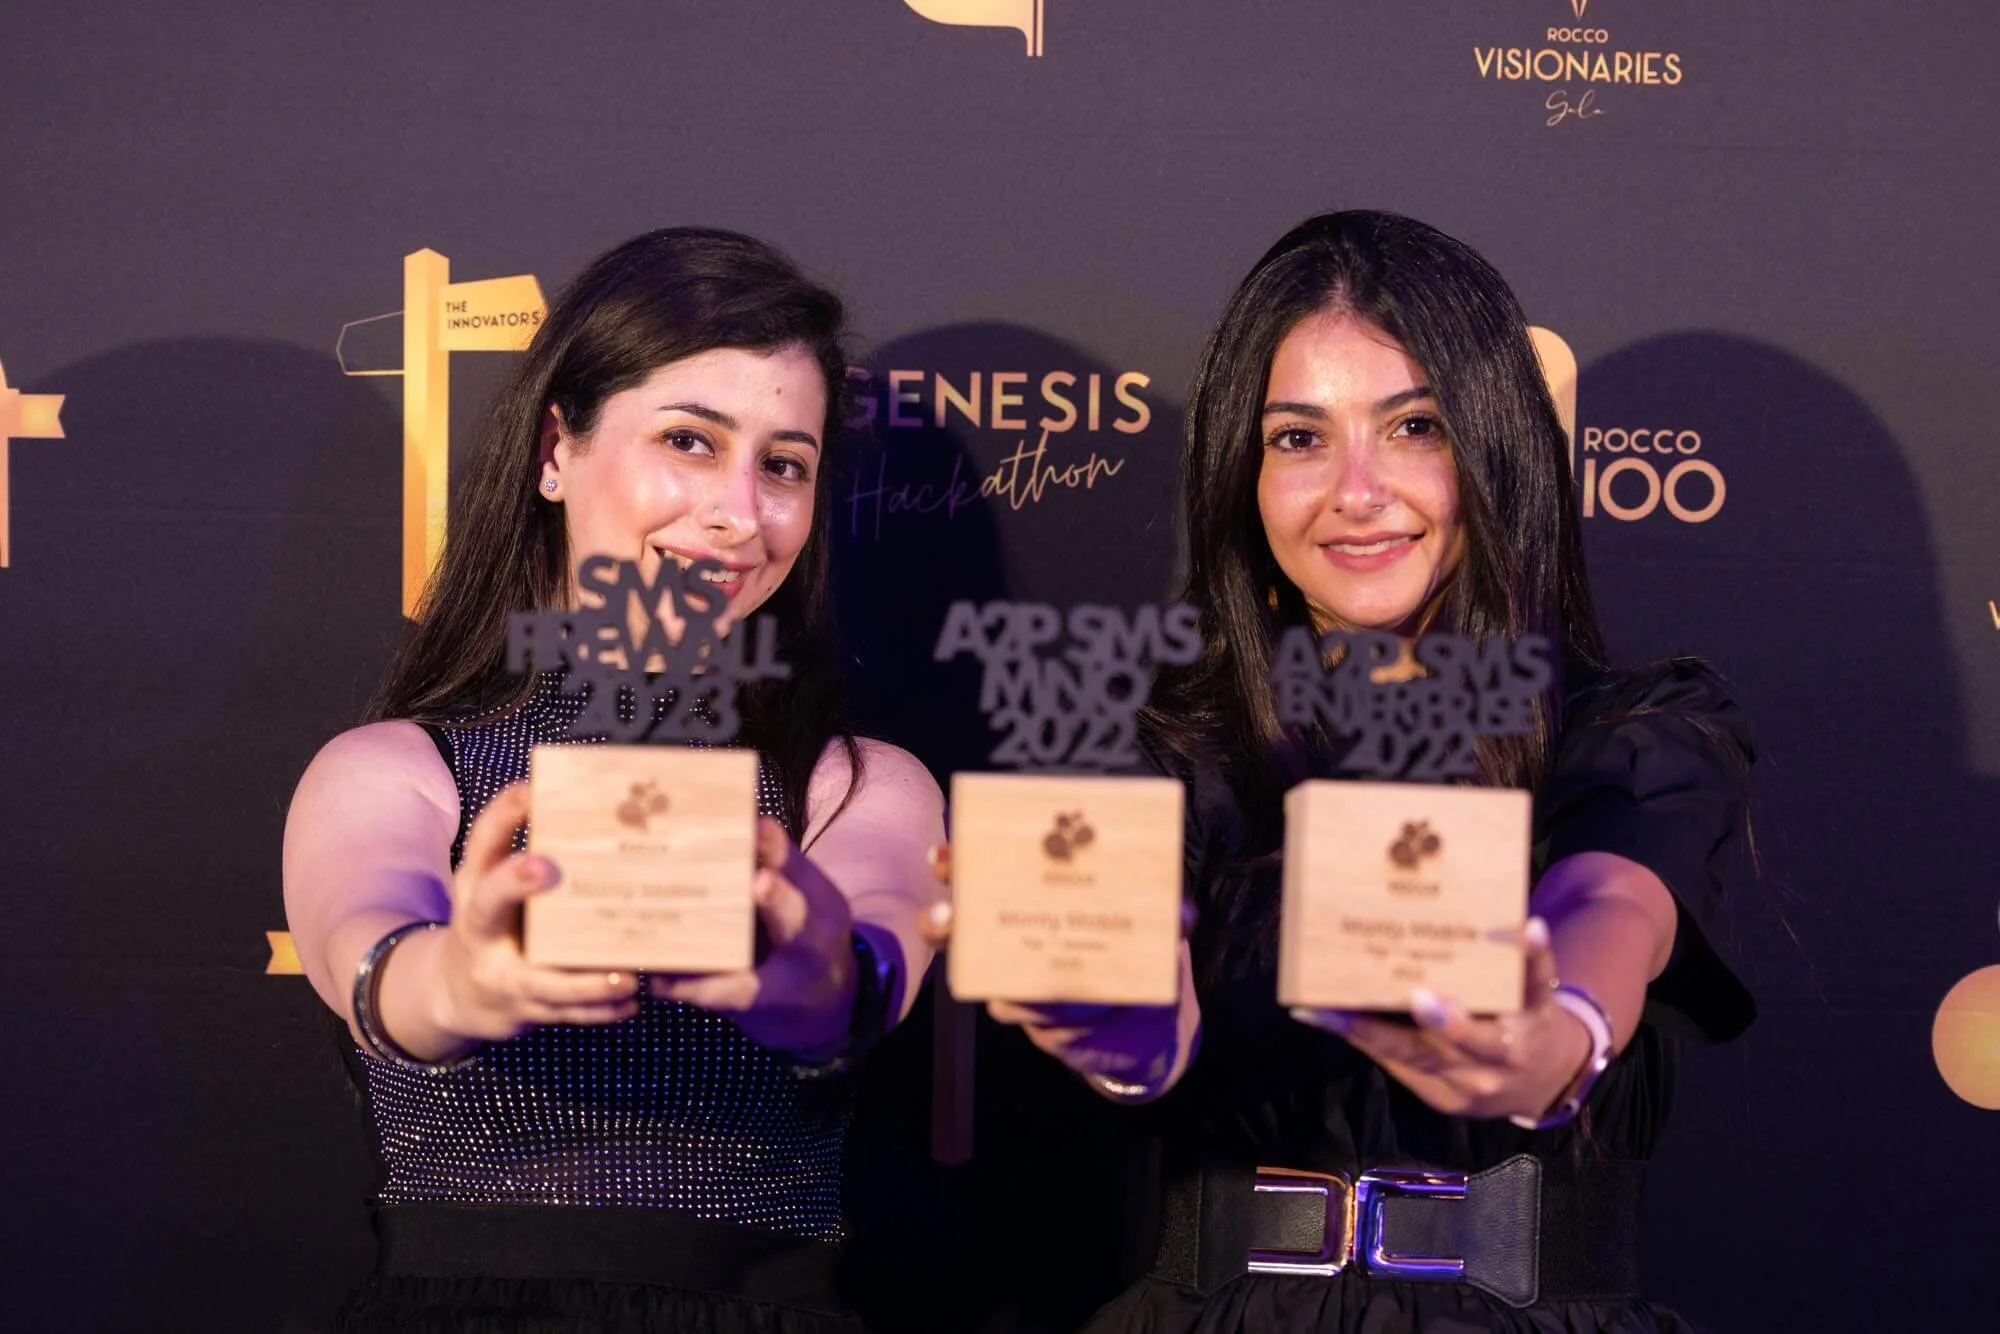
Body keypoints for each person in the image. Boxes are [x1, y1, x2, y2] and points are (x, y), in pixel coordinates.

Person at [949, 210, 1756, 1332]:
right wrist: (1125, 1042)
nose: (1355, 489)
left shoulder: (1631, 730)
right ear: (1241, 469)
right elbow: (1144, 1007)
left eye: (1412, 426)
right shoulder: (1159, 754)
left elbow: (1613, 896)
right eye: (1297, 438)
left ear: (1494, 444)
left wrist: (1555, 1031)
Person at [283, 228, 944, 1334]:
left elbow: (866, 967)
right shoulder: (399, 769)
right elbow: (372, 949)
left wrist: (810, 983)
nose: (738, 511)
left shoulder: (853, 785)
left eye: (783, 464)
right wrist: (461, 983)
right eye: (689, 440)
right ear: (555, 448)